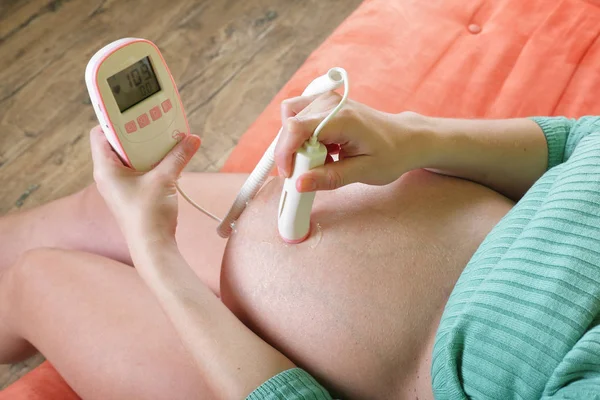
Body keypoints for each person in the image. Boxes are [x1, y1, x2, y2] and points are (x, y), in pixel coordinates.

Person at [0, 90, 598, 400]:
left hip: (265, 378)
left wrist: (158, 257)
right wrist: (410, 138)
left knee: (37, 278)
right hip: (297, 230)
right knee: (99, 203)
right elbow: (579, 142)